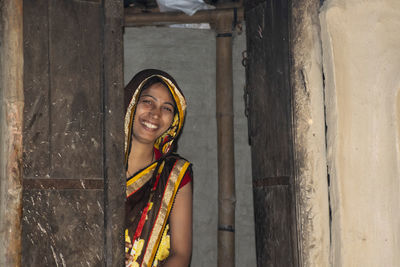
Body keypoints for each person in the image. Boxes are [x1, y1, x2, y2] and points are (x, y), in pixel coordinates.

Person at [124, 69, 193, 267]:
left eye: (167, 108)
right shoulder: (94, 165)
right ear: (130, 103)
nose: (155, 114)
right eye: (147, 101)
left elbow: (180, 254)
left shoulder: (175, 174)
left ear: (174, 121)